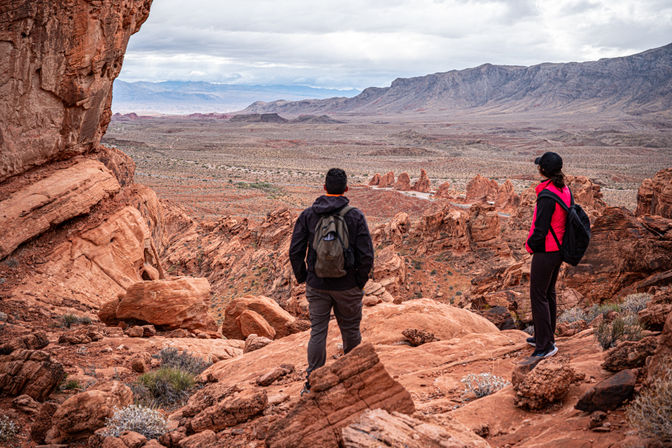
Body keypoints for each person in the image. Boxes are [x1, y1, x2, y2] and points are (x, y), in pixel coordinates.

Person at [289, 168, 374, 394]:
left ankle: (313, 381)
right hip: (348, 286)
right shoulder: (355, 215)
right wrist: (359, 282)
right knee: (351, 331)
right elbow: (367, 255)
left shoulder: (309, 215)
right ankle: (354, 379)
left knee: (318, 331)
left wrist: (304, 277)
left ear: (324, 187)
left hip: (317, 285)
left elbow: (295, 251)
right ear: (346, 189)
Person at [525, 152, 571, 358]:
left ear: (543, 170)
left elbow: (540, 229)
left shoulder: (546, 195)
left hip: (547, 250)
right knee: (548, 292)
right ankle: (545, 335)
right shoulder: (564, 189)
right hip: (559, 250)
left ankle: (545, 346)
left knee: (538, 295)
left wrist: (531, 246)